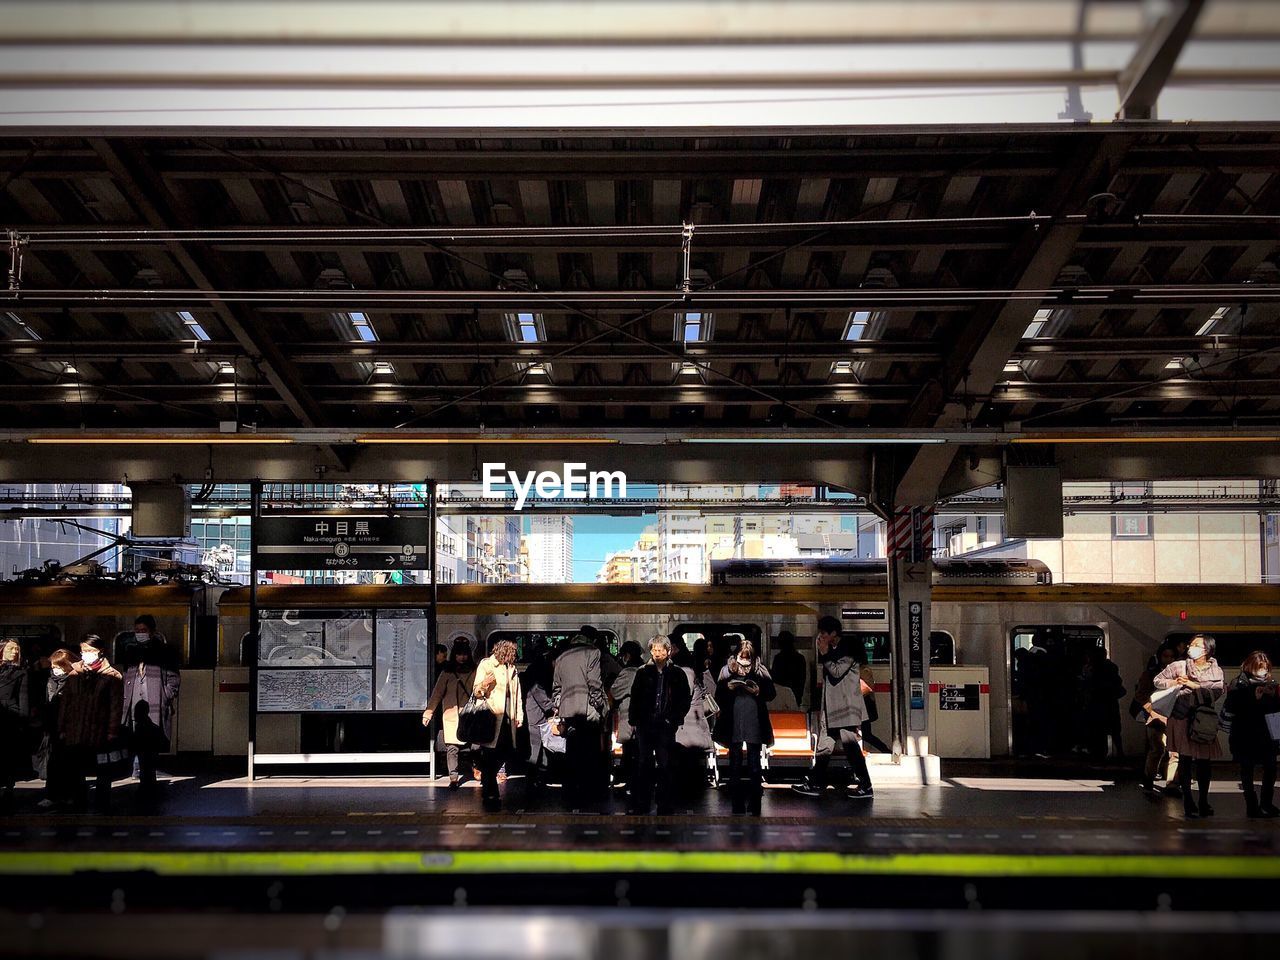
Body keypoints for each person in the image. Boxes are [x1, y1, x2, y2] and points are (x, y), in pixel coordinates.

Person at [793, 616, 873, 800]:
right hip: (832, 709)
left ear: (834, 633)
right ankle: (815, 783)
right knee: (824, 747)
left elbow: (836, 672)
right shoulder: (834, 650)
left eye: (823, 633)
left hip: (845, 708)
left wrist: (824, 653)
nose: (820, 636)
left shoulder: (848, 649)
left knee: (851, 748)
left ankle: (866, 785)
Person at [1154, 633, 1225, 819]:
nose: (1191, 648)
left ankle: (1203, 801)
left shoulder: (1216, 670)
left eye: (1196, 645)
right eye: (1191, 645)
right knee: (1184, 760)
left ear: (1207, 649)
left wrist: (1194, 686)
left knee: (1204, 762)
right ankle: (1188, 801)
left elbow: (1216, 692)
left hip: (1203, 719)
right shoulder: (1179, 665)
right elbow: (1157, 681)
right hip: (1181, 717)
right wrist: (1174, 682)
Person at [119, 614, 180, 804]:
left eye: (143, 630)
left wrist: (166, 695)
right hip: (133, 705)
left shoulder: (164, 652)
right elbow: (126, 675)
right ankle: (144, 781)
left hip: (155, 704)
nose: (140, 634)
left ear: (152, 632)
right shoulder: (130, 651)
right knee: (137, 744)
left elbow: (173, 678)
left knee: (151, 747)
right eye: (137, 630)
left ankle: (148, 783)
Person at [628, 636, 691, 815]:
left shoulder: (677, 673)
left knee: (665, 764)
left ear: (668, 651)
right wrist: (635, 720)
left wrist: (673, 719)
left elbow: (684, 699)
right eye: (654, 650)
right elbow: (635, 697)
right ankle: (643, 802)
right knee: (644, 763)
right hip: (645, 724)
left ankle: (665, 803)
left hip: (665, 725)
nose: (656, 653)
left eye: (660, 650)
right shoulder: (642, 672)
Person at [60, 635, 124, 812]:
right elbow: (66, 703)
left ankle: (102, 802)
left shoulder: (112, 675)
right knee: (76, 768)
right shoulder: (74, 673)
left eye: (90, 650)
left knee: (103, 767)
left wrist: (112, 731)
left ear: (100, 651)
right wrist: (62, 727)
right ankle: (78, 800)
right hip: (76, 727)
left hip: (100, 729)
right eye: (84, 651)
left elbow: (115, 706)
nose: (86, 654)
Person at [713, 639, 776, 815]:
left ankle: (755, 801)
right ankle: (737, 802)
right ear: (736, 655)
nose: (745, 661)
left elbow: (771, 693)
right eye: (742, 657)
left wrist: (758, 691)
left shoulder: (760, 670)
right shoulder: (726, 670)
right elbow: (718, 694)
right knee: (735, 762)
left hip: (754, 719)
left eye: (748, 658)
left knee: (754, 763)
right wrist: (728, 688)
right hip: (733, 719)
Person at [553, 630, 607, 809]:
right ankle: (588, 792)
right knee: (590, 752)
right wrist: (598, 704)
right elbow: (594, 683)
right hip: (588, 711)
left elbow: (556, 687)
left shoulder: (562, 657)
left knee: (572, 751)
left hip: (568, 712)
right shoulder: (593, 653)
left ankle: (570, 791)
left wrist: (560, 707)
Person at [1221, 651, 1279, 818]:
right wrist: (1254, 699)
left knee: (1271, 768)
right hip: (1244, 735)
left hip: (1267, 735)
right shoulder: (1239, 684)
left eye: (1265, 668)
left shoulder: (1271, 684)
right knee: (1247, 769)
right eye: (1259, 667)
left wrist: (1272, 696)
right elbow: (1234, 708)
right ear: (1249, 667)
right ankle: (1252, 806)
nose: (1263, 671)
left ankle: (1266, 804)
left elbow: (1275, 710)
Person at [472, 639, 523, 812]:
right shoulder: (487, 665)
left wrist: (519, 715)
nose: (514, 655)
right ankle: (490, 793)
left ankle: (489, 787)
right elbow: (476, 692)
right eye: (512, 651)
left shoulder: (512, 668)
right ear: (504, 651)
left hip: (508, 718)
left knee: (503, 753)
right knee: (489, 756)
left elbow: (517, 694)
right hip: (491, 718)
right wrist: (484, 683)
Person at [421, 639, 477, 789]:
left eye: (465, 654)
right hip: (453, 716)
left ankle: (476, 768)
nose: (462, 657)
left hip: (470, 715)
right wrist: (428, 712)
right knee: (452, 748)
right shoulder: (447, 672)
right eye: (459, 654)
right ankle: (453, 777)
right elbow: (437, 693)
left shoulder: (475, 671)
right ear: (454, 655)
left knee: (475, 746)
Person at [37, 648, 78, 810]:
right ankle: (52, 795)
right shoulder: (49, 681)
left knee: (70, 763)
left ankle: (70, 796)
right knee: (53, 763)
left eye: (59, 667)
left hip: (69, 728)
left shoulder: (74, 681)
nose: (55, 670)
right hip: (52, 727)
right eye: (53, 667)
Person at [1136, 642, 1179, 795]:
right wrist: (1152, 712)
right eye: (1166, 656)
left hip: (1173, 717)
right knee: (1158, 749)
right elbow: (1141, 695)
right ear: (1160, 657)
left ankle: (1171, 783)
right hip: (1155, 717)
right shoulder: (1150, 675)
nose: (1169, 660)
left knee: (1174, 752)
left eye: (1172, 657)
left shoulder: (1179, 675)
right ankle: (1149, 779)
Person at [522, 651, 561, 802]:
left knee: (538, 750)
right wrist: (554, 707)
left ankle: (537, 779)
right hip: (536, 719)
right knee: (536, 750)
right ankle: (533, 780)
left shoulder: (531, 675)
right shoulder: (537, 681)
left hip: (534, 717)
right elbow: (543, 700)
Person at [610, 641, 644, 800]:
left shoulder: (628, 673)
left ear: (628, 656)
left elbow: (615, 691)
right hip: (645, 719)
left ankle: (631, 785)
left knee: (630, 753)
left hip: (629, 717)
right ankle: (641, 785)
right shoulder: (646, 670)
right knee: (642, 753)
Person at [0, 640, 31, 804]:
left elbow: (23, 697)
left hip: (10, 718)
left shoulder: (21, 672)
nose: (14, 652)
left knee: (8, 755)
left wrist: (23, 721)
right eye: (11, 648)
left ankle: (8, 789)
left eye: (17, 649)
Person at [858, 663, 891, 753]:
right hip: (864, 705)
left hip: (863, 706)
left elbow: (865, 688)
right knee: (866, 734)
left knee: (865, 734)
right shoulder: (865, 670)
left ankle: (885, 750)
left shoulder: (861, 671)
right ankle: (885, 750)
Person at [770, 631, 807, 708]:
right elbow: (802, 679)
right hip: (795, 695)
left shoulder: (778, 658)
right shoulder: (800, 658)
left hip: (779, 697)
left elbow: (774, 679)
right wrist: (798, 696)